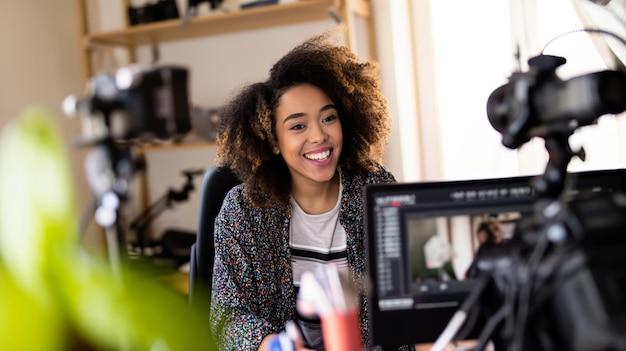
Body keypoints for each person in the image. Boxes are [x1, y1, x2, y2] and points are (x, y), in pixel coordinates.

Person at [209, 35, 405, 351]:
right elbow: (229, 320)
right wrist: (274, 345)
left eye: (329, 118)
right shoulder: (243, 209)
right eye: (298, 126)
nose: (319, 136)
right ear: (273, 139)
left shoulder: (375, 188)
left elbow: (405, 298)